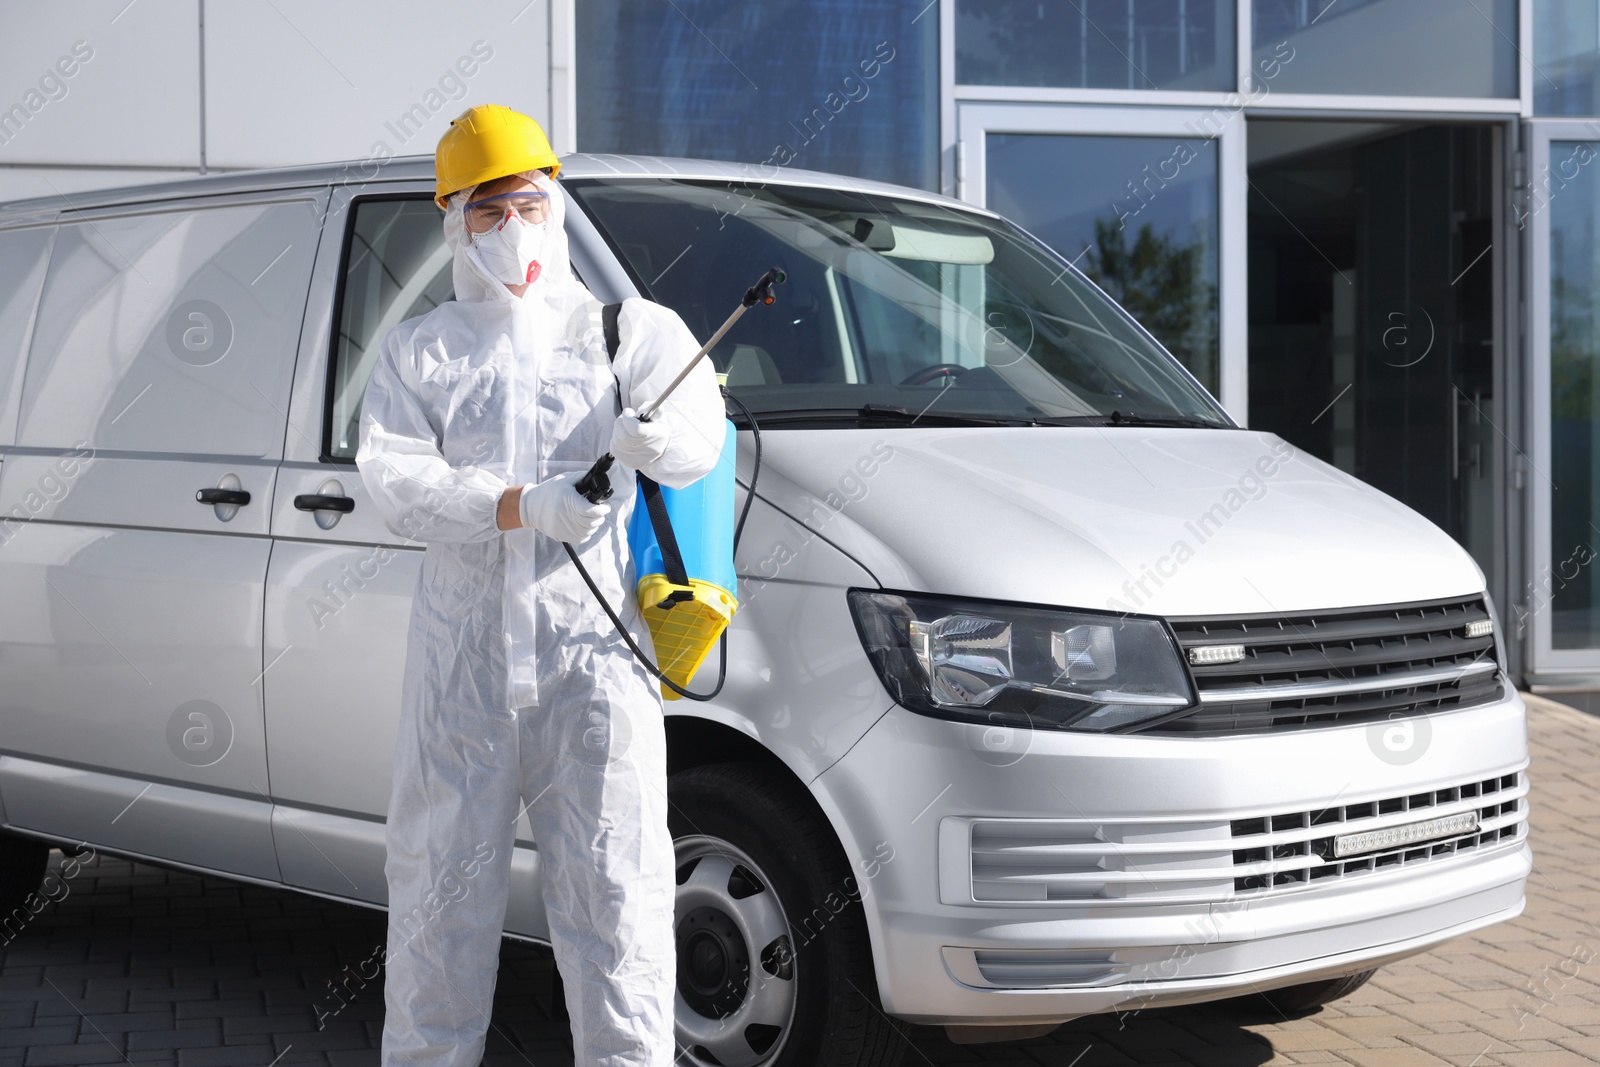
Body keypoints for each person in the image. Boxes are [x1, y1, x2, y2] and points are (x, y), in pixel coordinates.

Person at [355, 104, 725, 1066]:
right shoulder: (422, 349)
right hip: (461, 673)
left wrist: (656, 439)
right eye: (487, 210)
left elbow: (699, 429)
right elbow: (397, 482)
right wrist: (523, 503)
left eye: (525, 201)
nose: (511, 225)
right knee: (438, 909)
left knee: (619, 905)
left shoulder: (625, 329)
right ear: (454, 223)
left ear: (554, 205)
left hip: (594, 664)